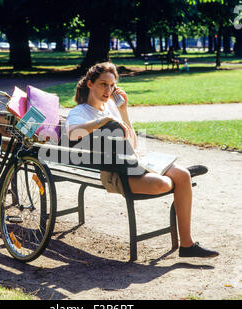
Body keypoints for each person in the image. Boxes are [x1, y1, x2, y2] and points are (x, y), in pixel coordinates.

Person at [65, 62, 219, 258]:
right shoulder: (79, 112)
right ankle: (167, 175)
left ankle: (187, 245)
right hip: (114, 172)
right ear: (90, 84)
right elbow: (71, 134)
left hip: (133, 162)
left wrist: (123, 111)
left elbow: (133, 142)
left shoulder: (111, 106)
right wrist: (104, 121)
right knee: (168, 183)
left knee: (183, 175)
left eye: (112, 86)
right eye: (103, 84)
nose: (108, 90)